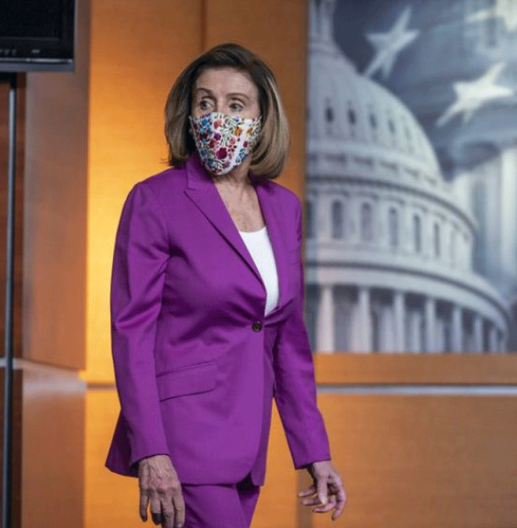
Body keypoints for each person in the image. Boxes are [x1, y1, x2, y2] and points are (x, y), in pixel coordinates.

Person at [105, 42, 347, 528]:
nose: (219, 115)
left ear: (262, 118)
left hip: (246, 444)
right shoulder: (156, 200)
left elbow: (287, 343)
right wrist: (150, 450)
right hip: (182, 440)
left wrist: (313, 451)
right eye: (205, 102)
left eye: (236, 105)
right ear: (189, 113)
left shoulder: (284, 208)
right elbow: (131, 332)